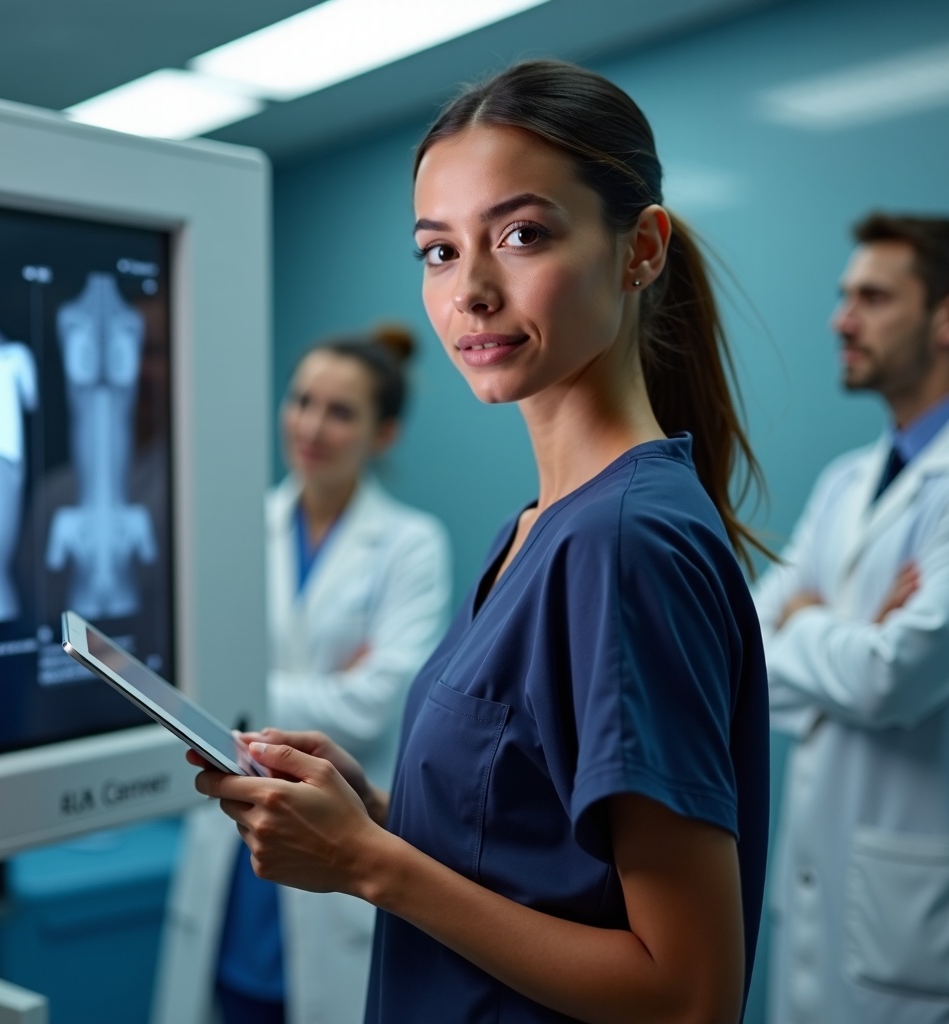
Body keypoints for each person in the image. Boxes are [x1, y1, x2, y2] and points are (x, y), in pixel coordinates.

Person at [189, 60, 771, 1024]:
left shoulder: (622, 545)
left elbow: (688, 994)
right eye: (439, 252)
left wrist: (370, 864)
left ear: (642, 248)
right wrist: (375, 816)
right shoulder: (537, 531)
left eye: (522, 234)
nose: (473, 291)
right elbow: (541, 858)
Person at [752, 214, 949, 1024]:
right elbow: (745, 661)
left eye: (871, 297)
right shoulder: (843, 482)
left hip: (925, 916)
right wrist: (849, 635)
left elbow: (890, 679)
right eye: (843, 297)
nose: (841, 319)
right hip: (824, 889)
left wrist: (808, 622)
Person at [153, 328, 453, 1024]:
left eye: (341, 412)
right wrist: (320, 689)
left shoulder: (412, 544)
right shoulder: (237, 526)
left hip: (333, 838)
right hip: (231, 851)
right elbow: (194, 681)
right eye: (303, 401)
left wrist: (243, 696)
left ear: (384, 434)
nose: (312, 426)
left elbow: (375, 706)